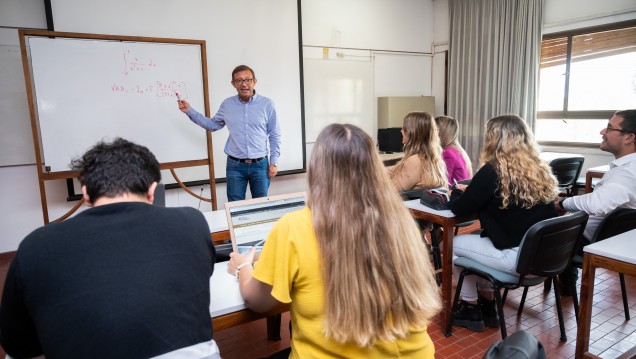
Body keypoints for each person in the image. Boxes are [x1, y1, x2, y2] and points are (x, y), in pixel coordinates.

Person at [227, 124, 441, 358]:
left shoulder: (295, 226)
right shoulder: (401, 222)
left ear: (317, 171)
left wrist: (243, 265)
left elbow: (256, 301)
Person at [0, 138, 218, 359]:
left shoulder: (35, 246)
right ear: (152, 190)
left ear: (85, 194)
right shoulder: (192, 222)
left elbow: (19, 347)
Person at [448, 115, 558, 332]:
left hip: (516, 258)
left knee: (450, 246)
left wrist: (456, 194)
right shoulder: (540, 168)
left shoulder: (493, 170)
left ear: (494, 138)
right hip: (542, 259)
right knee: (478, 240)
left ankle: (470, 307)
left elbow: (460, 209)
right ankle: (488, 304)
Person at [556, 109, 636, 294]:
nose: (602, 132)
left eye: (609, 128)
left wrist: (562, 203)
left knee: (536, 223)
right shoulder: (626, 168)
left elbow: (597, 204)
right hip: (610, 239)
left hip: (588, 242)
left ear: (628, 137)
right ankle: (566, 280)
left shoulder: (626, 173)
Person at [178, 64, 281, 201]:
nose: (244, 84)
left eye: (248, 80)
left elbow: (274, 134)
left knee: (260, 205)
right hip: (235, 166)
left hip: (260, 165)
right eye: (239, 81)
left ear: (254, 81)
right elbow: (213, 125)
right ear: (233, 84)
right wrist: (189, 111)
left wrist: (274, 162)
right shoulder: (227, 105)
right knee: (234, 207)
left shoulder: (267, 104)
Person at [387, 111, 448, 191]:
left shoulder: (415, 161)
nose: (401, 131)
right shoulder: (430, 157)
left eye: (404, 128)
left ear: (412, 132)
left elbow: (391, 191)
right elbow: (395, 169)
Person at [435, 115, 473, 184]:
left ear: (439, 132)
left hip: (454, 193)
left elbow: (444, 183)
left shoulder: (447, 153)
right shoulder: (458, 150)